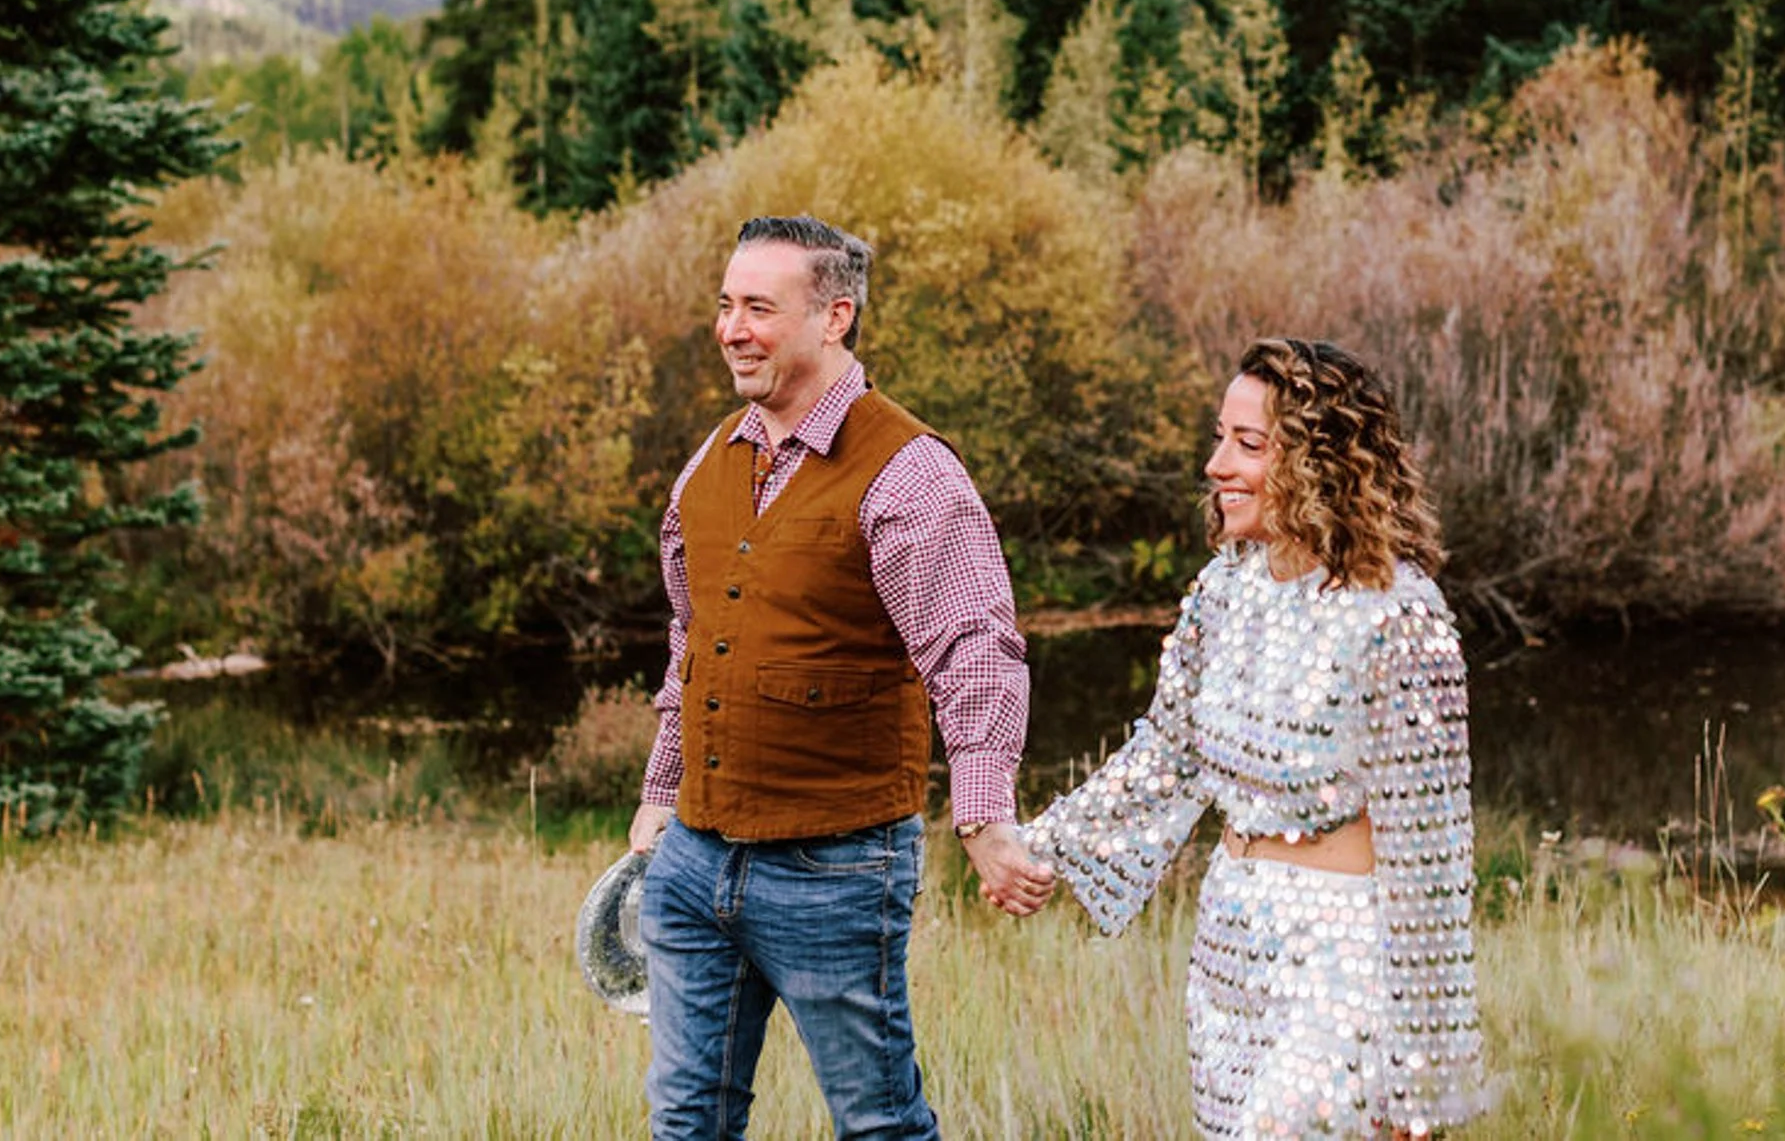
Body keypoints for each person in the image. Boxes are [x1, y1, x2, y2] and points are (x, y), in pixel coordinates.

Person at [629, 214, 1054, 1140]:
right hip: (694, 860)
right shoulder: (710, 459)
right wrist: (662, 789)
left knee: (879, 1125)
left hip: (838, 865)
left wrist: (981, 815)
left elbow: (975, 649)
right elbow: (691, 640)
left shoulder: (910, 472)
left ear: (835, 317)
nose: (732, 327)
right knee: (684, 1124)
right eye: (725, 304)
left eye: (759, 308)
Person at [1024, 337, 1488, 1138]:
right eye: (1219, 437)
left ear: (1320, 463)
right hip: (1229, 947)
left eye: (1249, 443)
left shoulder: (1399, 615)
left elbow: (1434, 856)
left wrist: (1424, 1075)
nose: (1216, 464)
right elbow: (1168, 755)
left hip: (1339, 962)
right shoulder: (1222, 589)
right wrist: (1044, 845)